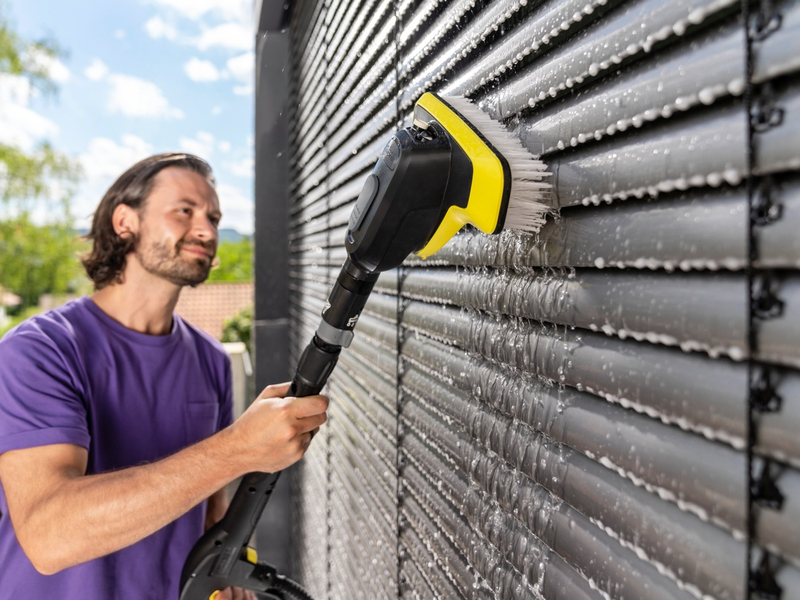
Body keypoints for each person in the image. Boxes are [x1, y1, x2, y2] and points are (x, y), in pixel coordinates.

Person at [0, 153, 328, 599]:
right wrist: (237, 448)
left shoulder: (210, 359)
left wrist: (229, 575)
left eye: (213, 217)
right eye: (185, 211)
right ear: (124, 222)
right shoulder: (40, 350)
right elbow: (48, 536)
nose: (207, 231)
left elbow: (212, 515)